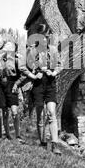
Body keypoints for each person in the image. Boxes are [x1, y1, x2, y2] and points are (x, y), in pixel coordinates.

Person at [17, 25, 62, 155]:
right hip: (37, 85)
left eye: (48, 37)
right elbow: (22, 67)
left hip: (50, 83)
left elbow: (60, 65)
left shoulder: (53, 50)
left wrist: (55, 73)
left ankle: (55, 144)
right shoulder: (31, 51)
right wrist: (33, 75)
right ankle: (42, 141)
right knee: (40, 115)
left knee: (51, 113)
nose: (46, 39)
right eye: (44, 36)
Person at [0, 38, 25, 142]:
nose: (7, 51)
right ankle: (8, 135)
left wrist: (17, 84)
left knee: (14, 111)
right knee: (5, 112)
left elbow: (23, 74)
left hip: (12, 84)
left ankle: (18, 136)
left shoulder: (16, 59)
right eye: (6, 48)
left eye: (10, 49)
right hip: (0, 85)